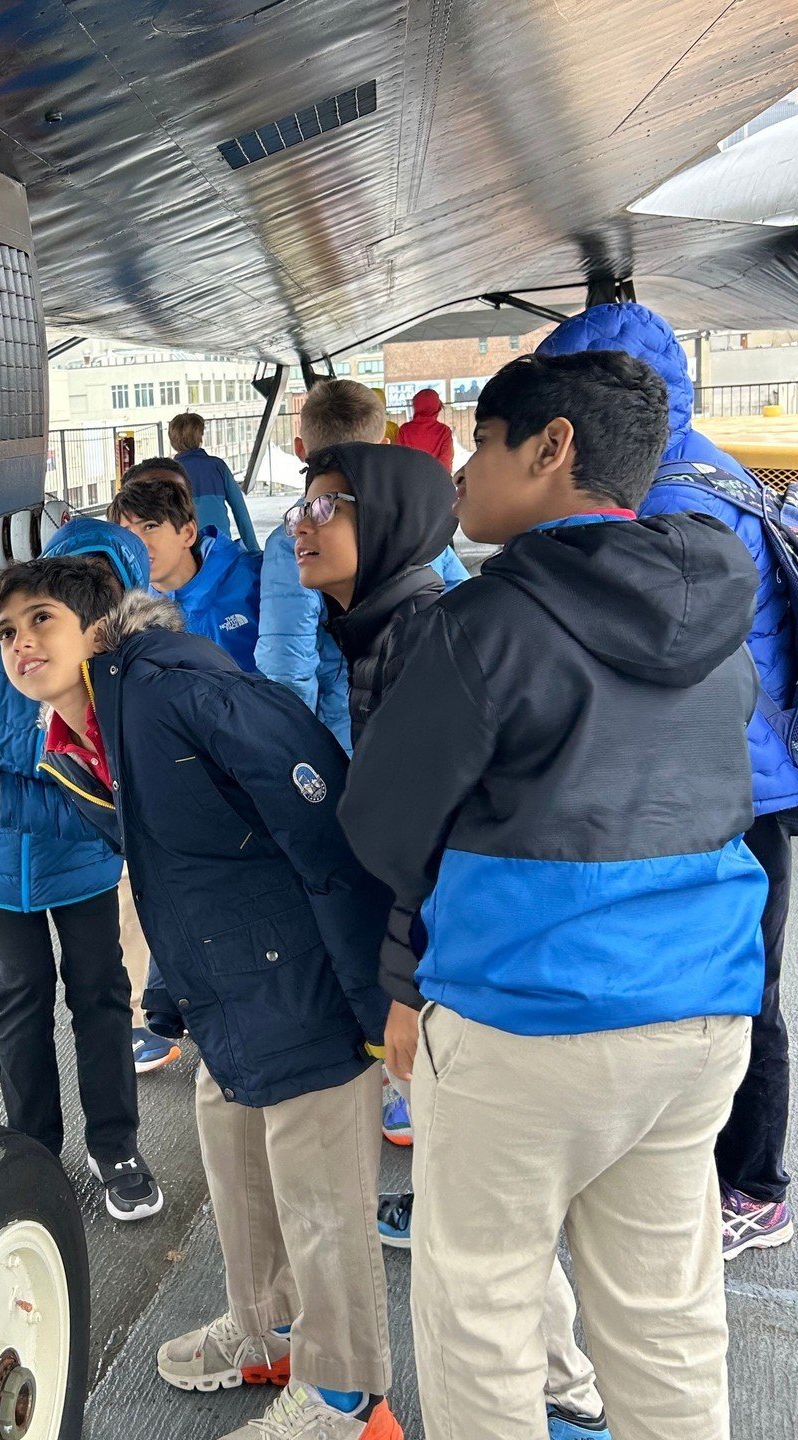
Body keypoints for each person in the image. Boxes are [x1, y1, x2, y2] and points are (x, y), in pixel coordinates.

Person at [340, 350, 766, 1440]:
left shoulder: (485, 623)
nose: (464, 473)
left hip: (525, 1018)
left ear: (552, 447)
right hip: (703, 1009)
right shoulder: (718, 619)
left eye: (482, 441)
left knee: (482, 1311)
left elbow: (382, 824)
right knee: (666, 1314)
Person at [0, 556, 402, 1440]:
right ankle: (268, 1331)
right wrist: (171, 986)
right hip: (226, 992)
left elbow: (327, 824)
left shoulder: (177, 691)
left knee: (323, 1203)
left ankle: (347, 1400)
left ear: (97, 628)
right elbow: (169, 867)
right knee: (243, 1175)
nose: (22, 643)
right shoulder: (78, 738)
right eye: (7, 631)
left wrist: (378, 997)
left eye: (41, 620)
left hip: (303, 987)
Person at [538, 301, 798, 1257]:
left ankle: (756, 1184)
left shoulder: (667, 503)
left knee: (742, 987)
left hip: (734, 784)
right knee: (731, 981)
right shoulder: (711, 470)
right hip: (750, 777)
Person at [0, 518, 165, 1222]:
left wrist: (25, 806)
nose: (34, 631)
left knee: (101, 996)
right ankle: (33, 1152)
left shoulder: (129, 673)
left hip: (82, 869)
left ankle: (115, 1146)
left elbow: (124, 786)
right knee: (19, 999)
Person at [258, 381, 468, 754]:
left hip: (342, 737)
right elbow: (461, 595)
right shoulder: (412, 524)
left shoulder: (288, 544)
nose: (304, 526)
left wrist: (295, 758)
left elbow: (288, 660)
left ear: (300, 450)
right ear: (384, 449)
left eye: (326, 509)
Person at [44, 518, 181, 1075]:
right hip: (103, 832)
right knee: (132, 903)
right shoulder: (35, 662)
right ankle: (140, 1018)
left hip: (159, 820)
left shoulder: (154, 659)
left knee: (158, 899)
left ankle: (162, 1008)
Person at [107, 463, 265, 672]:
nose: (138, 545)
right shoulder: (127, 612)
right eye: (127, 533)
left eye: (150, 526)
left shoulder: (256, 576)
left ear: (188, 533)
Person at [167, 411, 260, 552]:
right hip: (220, 547)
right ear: (200, 437)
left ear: (173, 439)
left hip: (185, 551)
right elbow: (241, 512)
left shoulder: (168, 473)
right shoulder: (218, 466)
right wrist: (254, 550)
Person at [396, 387, 455, 471]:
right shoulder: (444, 431)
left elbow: (399, 459)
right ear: (437, 407)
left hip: (409, 479)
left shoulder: (404, 430)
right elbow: (446, 462)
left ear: (416, 406)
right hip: (436, 480)